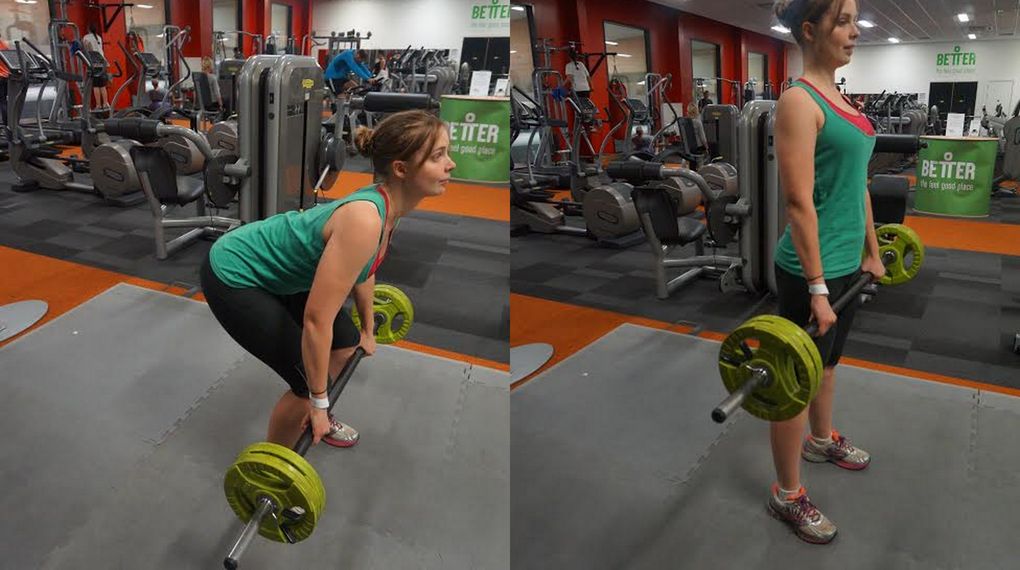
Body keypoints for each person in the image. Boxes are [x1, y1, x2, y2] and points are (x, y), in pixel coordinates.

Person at [200, 111, 455, 449]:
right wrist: (317, 401)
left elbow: (364, 268)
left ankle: (318, 407)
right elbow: (317, 321)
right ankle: (276, 463)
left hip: (279, 272)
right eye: (438, 156)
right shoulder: (365, 219)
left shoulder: (388, 205)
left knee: (346, 347)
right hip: (235, 272)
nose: (450, 164)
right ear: (401, 169)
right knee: (305, 386)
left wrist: (367, 328)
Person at [768, 0, 880, 544]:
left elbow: (858, 184)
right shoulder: (798, 101)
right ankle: (787, 494)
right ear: (810, 30)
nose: (855, 32)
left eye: (855, 21)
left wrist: (872, 250)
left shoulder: (843, 99)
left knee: (828, 366)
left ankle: (820, 440)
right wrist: (816, 288)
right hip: (808, 271)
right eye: (844, 22)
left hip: (844, 265)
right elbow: (797, 203)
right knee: (792, 384)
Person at [81, 24, 110, 114]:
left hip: (93, 62)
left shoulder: (86, 37)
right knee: (102, 85)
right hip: (102, 62)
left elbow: (85, 48)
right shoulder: (98, 37)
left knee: (96, 86)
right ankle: (105, 103)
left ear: (88, 29)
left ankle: (98, 105)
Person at [0, 32, 9, 127]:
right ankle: (8, 124)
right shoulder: (4, 45)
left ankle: (7, 124)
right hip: (6, 76)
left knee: (2, 101)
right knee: (4, 101)